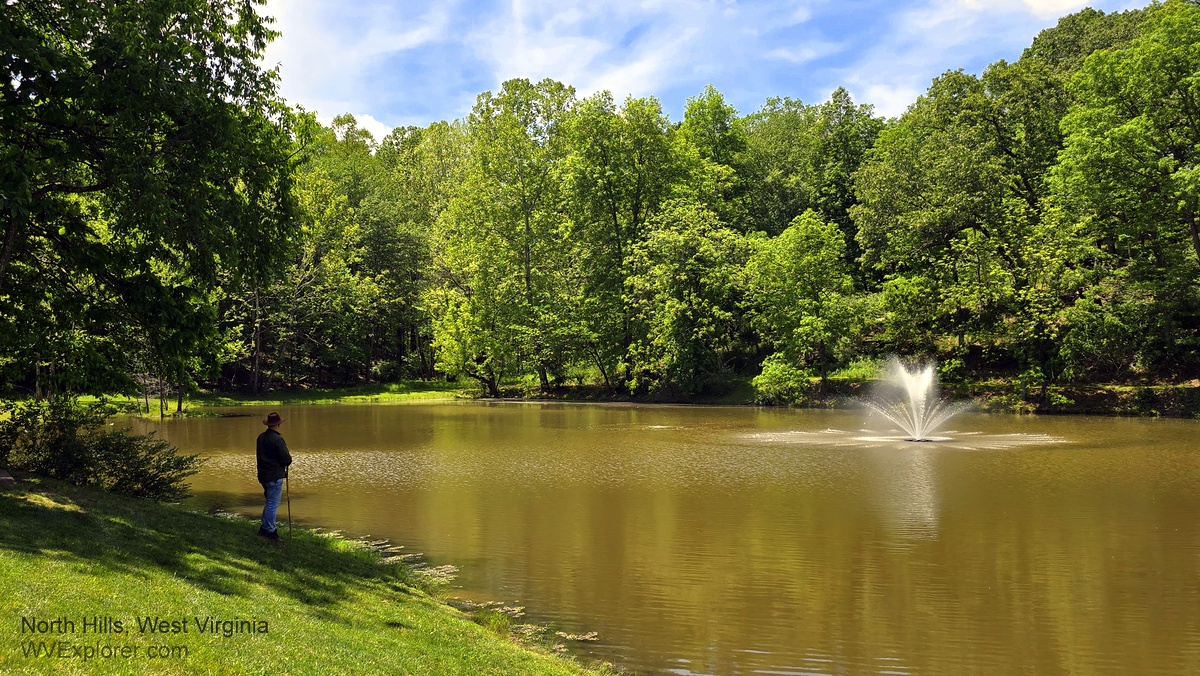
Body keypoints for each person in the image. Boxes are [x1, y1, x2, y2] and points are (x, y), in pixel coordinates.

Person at [256, 411, 292, 541]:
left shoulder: (261, 437)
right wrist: (287, 460)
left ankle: (264, 528)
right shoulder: (277, 438)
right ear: (278, 424)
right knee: (272, 503)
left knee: (269, 502)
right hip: (274, 476)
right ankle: (270, 531)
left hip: (263, 475)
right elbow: (286, 459)